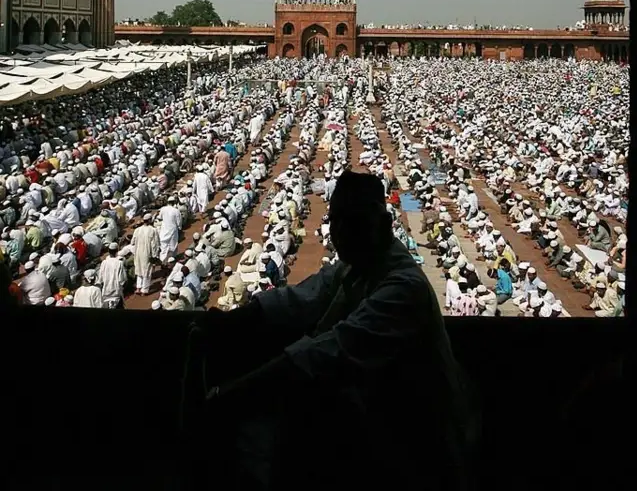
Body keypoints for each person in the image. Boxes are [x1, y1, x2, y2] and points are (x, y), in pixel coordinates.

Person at [181, 171, 475, 489]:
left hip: (417, 449)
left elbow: (325, 353)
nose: (342, 233)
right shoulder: (354, 265)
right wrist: (229, 322)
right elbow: (294, 300)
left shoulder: (404, 288)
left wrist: (227, 399)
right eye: (337, 222)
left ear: (384, 224)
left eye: (354, 223)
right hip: (376, 424)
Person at [131, 213, 160, 295]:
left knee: (139, 269)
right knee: (147, 271)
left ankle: (138, 288)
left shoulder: (137, 230)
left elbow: (132, 242)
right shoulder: (153, 230)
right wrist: (154, 256)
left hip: (138, 253)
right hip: (148, 253)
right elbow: (155, 245)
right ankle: (144, 290)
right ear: (150, 220)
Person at [97, 242, 127, 308]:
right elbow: (122, 280)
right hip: (116, 292)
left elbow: (100, 278)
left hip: (105, 292)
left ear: (109, 251)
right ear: (117, 251)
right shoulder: (119, 263)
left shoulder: (104, 263)